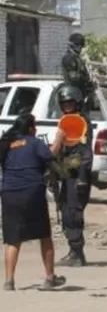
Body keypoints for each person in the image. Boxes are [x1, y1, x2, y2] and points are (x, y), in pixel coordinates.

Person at [1, 114, 68, 292]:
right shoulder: (34, 142)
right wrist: (59, 138)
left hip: (9, 193)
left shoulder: (8, 144)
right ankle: (49, 277)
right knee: (44, 235)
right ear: (30, 128)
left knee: (13, 239)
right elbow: (51, 155)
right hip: (31, 192)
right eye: (35, 126)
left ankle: (9, 281)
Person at [53, 86, 94, 267]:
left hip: (77, 174)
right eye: (64, 103)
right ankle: (73, 250)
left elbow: (84, 154)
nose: (67, 105)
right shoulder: (68, 120)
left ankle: (77, 253)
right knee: (66, 210)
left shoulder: (80, 121)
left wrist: (82, 178)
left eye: (70, 102)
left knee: (73, 213)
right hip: (68, 173)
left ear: (77, 102)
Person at [60, 33, 93, 112]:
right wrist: (87, 80)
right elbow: (73, 77)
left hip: (80, 93)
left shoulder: (77, 58)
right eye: (78, 46)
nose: (80, 48)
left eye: (81, 46)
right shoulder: (69, 58)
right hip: (72, 94)